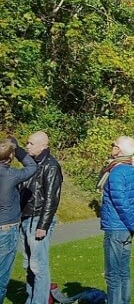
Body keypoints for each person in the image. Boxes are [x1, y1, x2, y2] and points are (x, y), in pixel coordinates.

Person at [100, 136, 134, 304]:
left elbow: (121, 202)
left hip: (116, 227)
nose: (111, 147)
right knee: (124, 271)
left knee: (113, 274)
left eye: (114, 145)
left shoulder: (117, 172)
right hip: (127, 227)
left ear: (118, 150)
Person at [19, 130, 62, 304]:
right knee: (29, 264)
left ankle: (40, 301)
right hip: (26, 217)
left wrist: (43, 225)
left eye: (31, 143)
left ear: (43, 146)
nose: (27, 146)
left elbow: (52, 198)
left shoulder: (50, 166)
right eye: (27, 143)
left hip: (38, 219)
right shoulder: (31, 164)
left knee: (39, 265)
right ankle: (32, 299)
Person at [0, 137, 36, 302]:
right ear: (10, 157)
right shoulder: (11, 175)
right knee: (2, 275)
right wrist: (18, 149)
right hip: (6, 228)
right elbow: (32, 166)